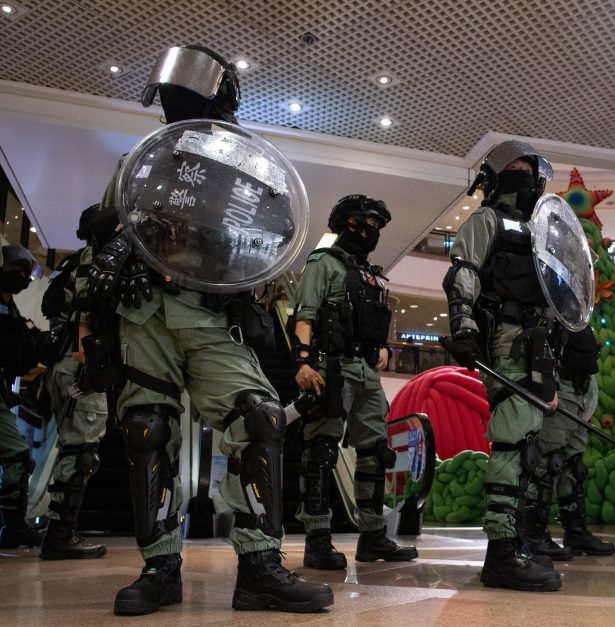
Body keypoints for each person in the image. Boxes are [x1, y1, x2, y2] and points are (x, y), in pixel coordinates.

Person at [85, 44, 331, 615]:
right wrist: (92, 315)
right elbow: (101, 245)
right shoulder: (138, 162)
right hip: (144, 312)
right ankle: (160, 569)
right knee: (147, 430)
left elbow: (273, 242)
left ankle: (260, 568)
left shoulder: (251, 163)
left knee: (261, 417)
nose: (175, 103)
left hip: (213, 313)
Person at [441, 140, 562, 592]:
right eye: (515, 168)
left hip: (538, 342)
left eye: (529, 169)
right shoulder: (487, 220)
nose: (524, 175)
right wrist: (465, 327)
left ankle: (516, 543)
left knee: (529, 442)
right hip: (506, 339)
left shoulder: (543, 231)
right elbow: (463, 273)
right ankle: (500, 554)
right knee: (513, 441)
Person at [291, 194, 417, 569]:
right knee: (322, 451)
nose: (373, 231)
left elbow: (373, 320)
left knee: (376, 452)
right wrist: (302, 362)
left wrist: (384, 350)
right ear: (349, 222)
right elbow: (306, 314)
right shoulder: (323, 263)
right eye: (369, 222)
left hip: (366, 370)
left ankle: (373, 537)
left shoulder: (370, 274)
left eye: (378, 225)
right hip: (333, 367)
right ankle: (317, 540)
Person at [38, 206, 110, 560]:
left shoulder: (77, 260)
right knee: (81, 450)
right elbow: (87, 309)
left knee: (76, 447)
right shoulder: (95, 261)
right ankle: (60, 534)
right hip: (78, 363)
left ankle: (61, 530)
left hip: (64, 363)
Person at [522, 327, 615, 560]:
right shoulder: (551, 299)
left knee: (574, 465)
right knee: (547, 462)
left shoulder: (574, 304)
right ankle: (533, 533)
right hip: (559, 384)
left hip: (579, 388)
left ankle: (576, 531)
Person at [0, 245, 45, 549]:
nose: (24, 278)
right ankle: (14, 528)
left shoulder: (11, 309)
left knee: (16, 456)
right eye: (19, 271)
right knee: (17, 455)